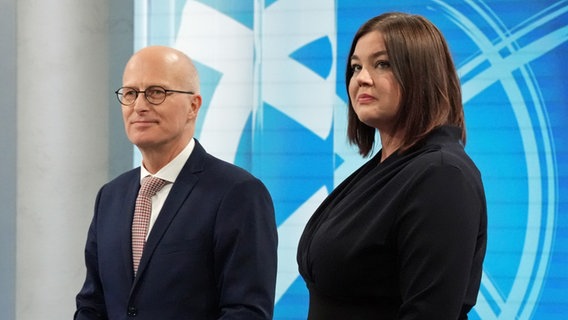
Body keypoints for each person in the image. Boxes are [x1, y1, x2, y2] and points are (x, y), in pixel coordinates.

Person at [297, 12, 487, 319]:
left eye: (382, 64)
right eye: (356, 66)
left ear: (422, 74)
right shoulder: (383, 170)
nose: (361, 78)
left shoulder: (441, 175)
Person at [75, 46, 278, 319]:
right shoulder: (110, 197)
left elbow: (246, 311)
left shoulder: (237, 193)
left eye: (156, 92)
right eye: (131, 93)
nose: (139, 106)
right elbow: (92, 305)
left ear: (193, 106)